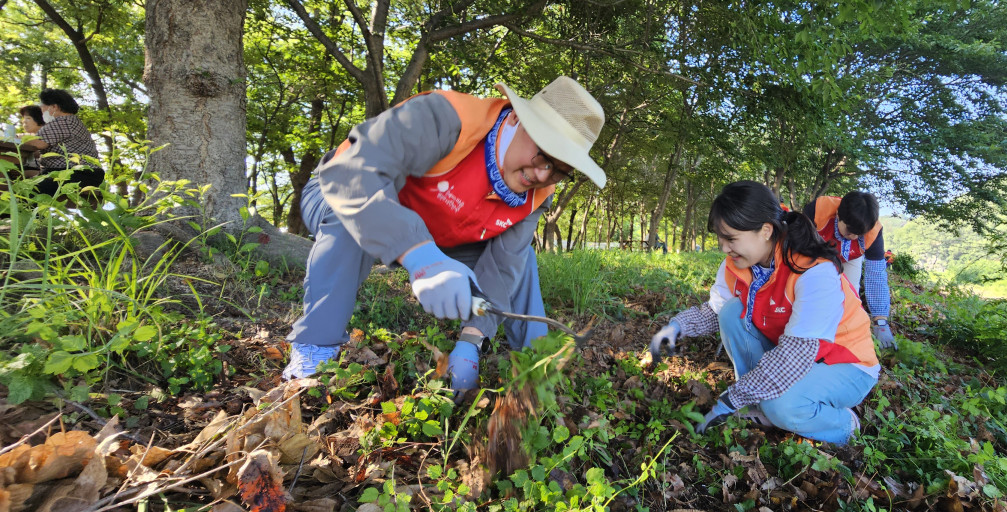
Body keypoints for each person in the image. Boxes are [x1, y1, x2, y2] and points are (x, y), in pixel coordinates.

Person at [284, 76, 608, 399]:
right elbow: (353, 175)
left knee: (521, 258)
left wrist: (471, 339)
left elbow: (503, 268)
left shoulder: (539, 194)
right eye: (543, 156)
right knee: (347, 219)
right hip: (342, 196)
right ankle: (314, 353)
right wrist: (421, 257)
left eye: (558, 170)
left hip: (442, 240)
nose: (542, 175)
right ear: (515, 118)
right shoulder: (446, 118)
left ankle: (537, 366)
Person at [650, 181, 879, 444]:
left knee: (781, 405)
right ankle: (758, 402)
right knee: (731, 312)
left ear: (766, 231)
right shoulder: (738, 264)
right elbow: (715, 311)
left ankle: (844, 425)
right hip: (794, 350)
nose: (724, 248)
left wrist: (731, 400)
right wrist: (676, 327)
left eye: (732, 238)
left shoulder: (814, 270)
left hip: (845, 362)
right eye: (720, 238)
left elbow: (796, 354)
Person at [801, 192, 897, 349]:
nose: (853, 237)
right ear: (839, 214)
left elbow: (876, 276)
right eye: (849, 231)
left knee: (850, 295)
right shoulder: (818, 210)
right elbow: (796, 245)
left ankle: (840, 337)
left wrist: (881, 322)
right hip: (815, 247)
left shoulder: (873, 232)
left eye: (859, 234)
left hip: (851, 257)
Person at [23, 90, 104, 196]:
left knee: (26, 189)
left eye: (42, 106)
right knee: (28, 184)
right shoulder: (72, 121)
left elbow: (39, 144)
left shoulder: (62, 122)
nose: (41, 111)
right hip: (88, 174)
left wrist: (19, 139)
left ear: (54, 107)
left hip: (74, 173)